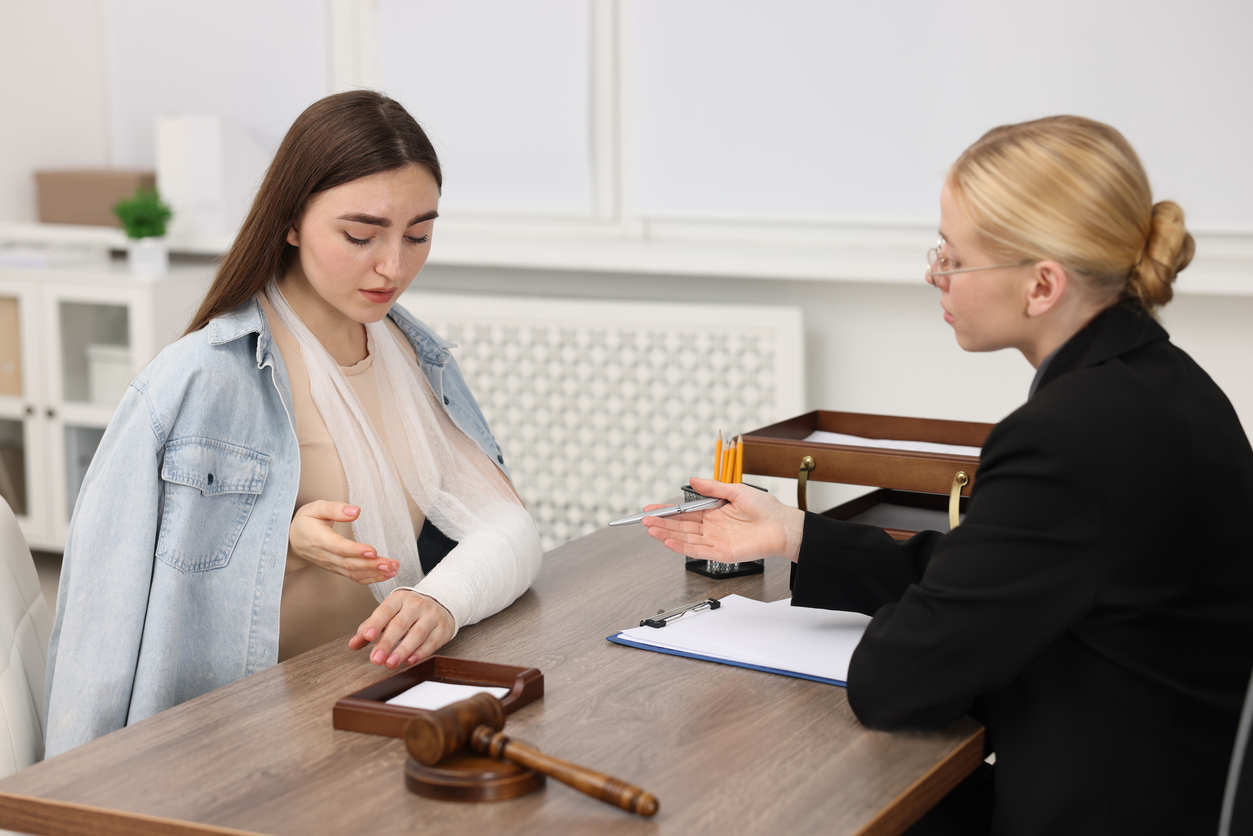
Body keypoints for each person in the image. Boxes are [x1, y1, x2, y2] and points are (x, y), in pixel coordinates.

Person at [644, 116, 1253, 835]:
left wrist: (920, 627)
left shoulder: (1065, 438)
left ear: (1041, 285)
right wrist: (796, 534)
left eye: (954, 257)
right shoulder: (1170, 386)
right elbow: (1000, 574)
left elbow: (895, 682)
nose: (933, 271)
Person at [44, 91, 542, 757]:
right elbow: (101, 616)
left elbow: (507, 525)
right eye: (360, 236)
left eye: (418, 234)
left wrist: (441, 601)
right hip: (249, 727)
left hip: (374, 700)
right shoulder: (196, 379)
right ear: (291, 223)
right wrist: (283, 541)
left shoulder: (409, 356)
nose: (393, 266)